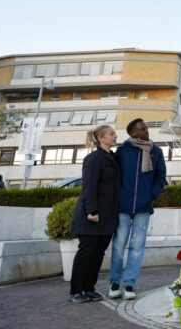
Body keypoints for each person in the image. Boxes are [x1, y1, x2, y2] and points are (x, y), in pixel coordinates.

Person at [109, 118, 167, 300]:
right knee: (119, 246)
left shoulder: (155, 151)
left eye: (147, 128)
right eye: (143, 129)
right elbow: (114, 175)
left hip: (143, 206)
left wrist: (153, 194)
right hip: (123, 206)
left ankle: (129, 284)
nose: (147, 131)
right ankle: (115, 282)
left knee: (137, 247)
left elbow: (161, 175)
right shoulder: (122, 151)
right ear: (133, 133)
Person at [69, 125, 119, 303]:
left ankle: (89, 288)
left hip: (107, 216)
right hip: (91, 216)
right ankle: (76, 291)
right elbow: (89, 186)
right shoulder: (94, 158)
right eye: (111, 134)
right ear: (101, 138)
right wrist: (92, 211)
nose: (115, 136)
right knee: (86, 253)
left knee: (98, 254)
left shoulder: (111, 158)